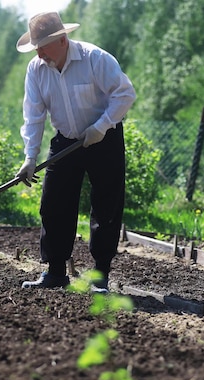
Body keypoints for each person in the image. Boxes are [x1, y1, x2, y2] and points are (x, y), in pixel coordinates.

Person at [14, 11, 136, 293]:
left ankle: (100, 275)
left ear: (62, 39)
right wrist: (30, 157)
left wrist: (102, 126)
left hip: (104, 138)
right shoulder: (36, 70)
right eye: (36, 47)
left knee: (106, 206)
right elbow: (33, 116)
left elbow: (125, 94)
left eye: (43, 46)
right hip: (66, 140)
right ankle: (56, 272)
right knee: (54, 204)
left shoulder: (95, 59)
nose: (40, 53)